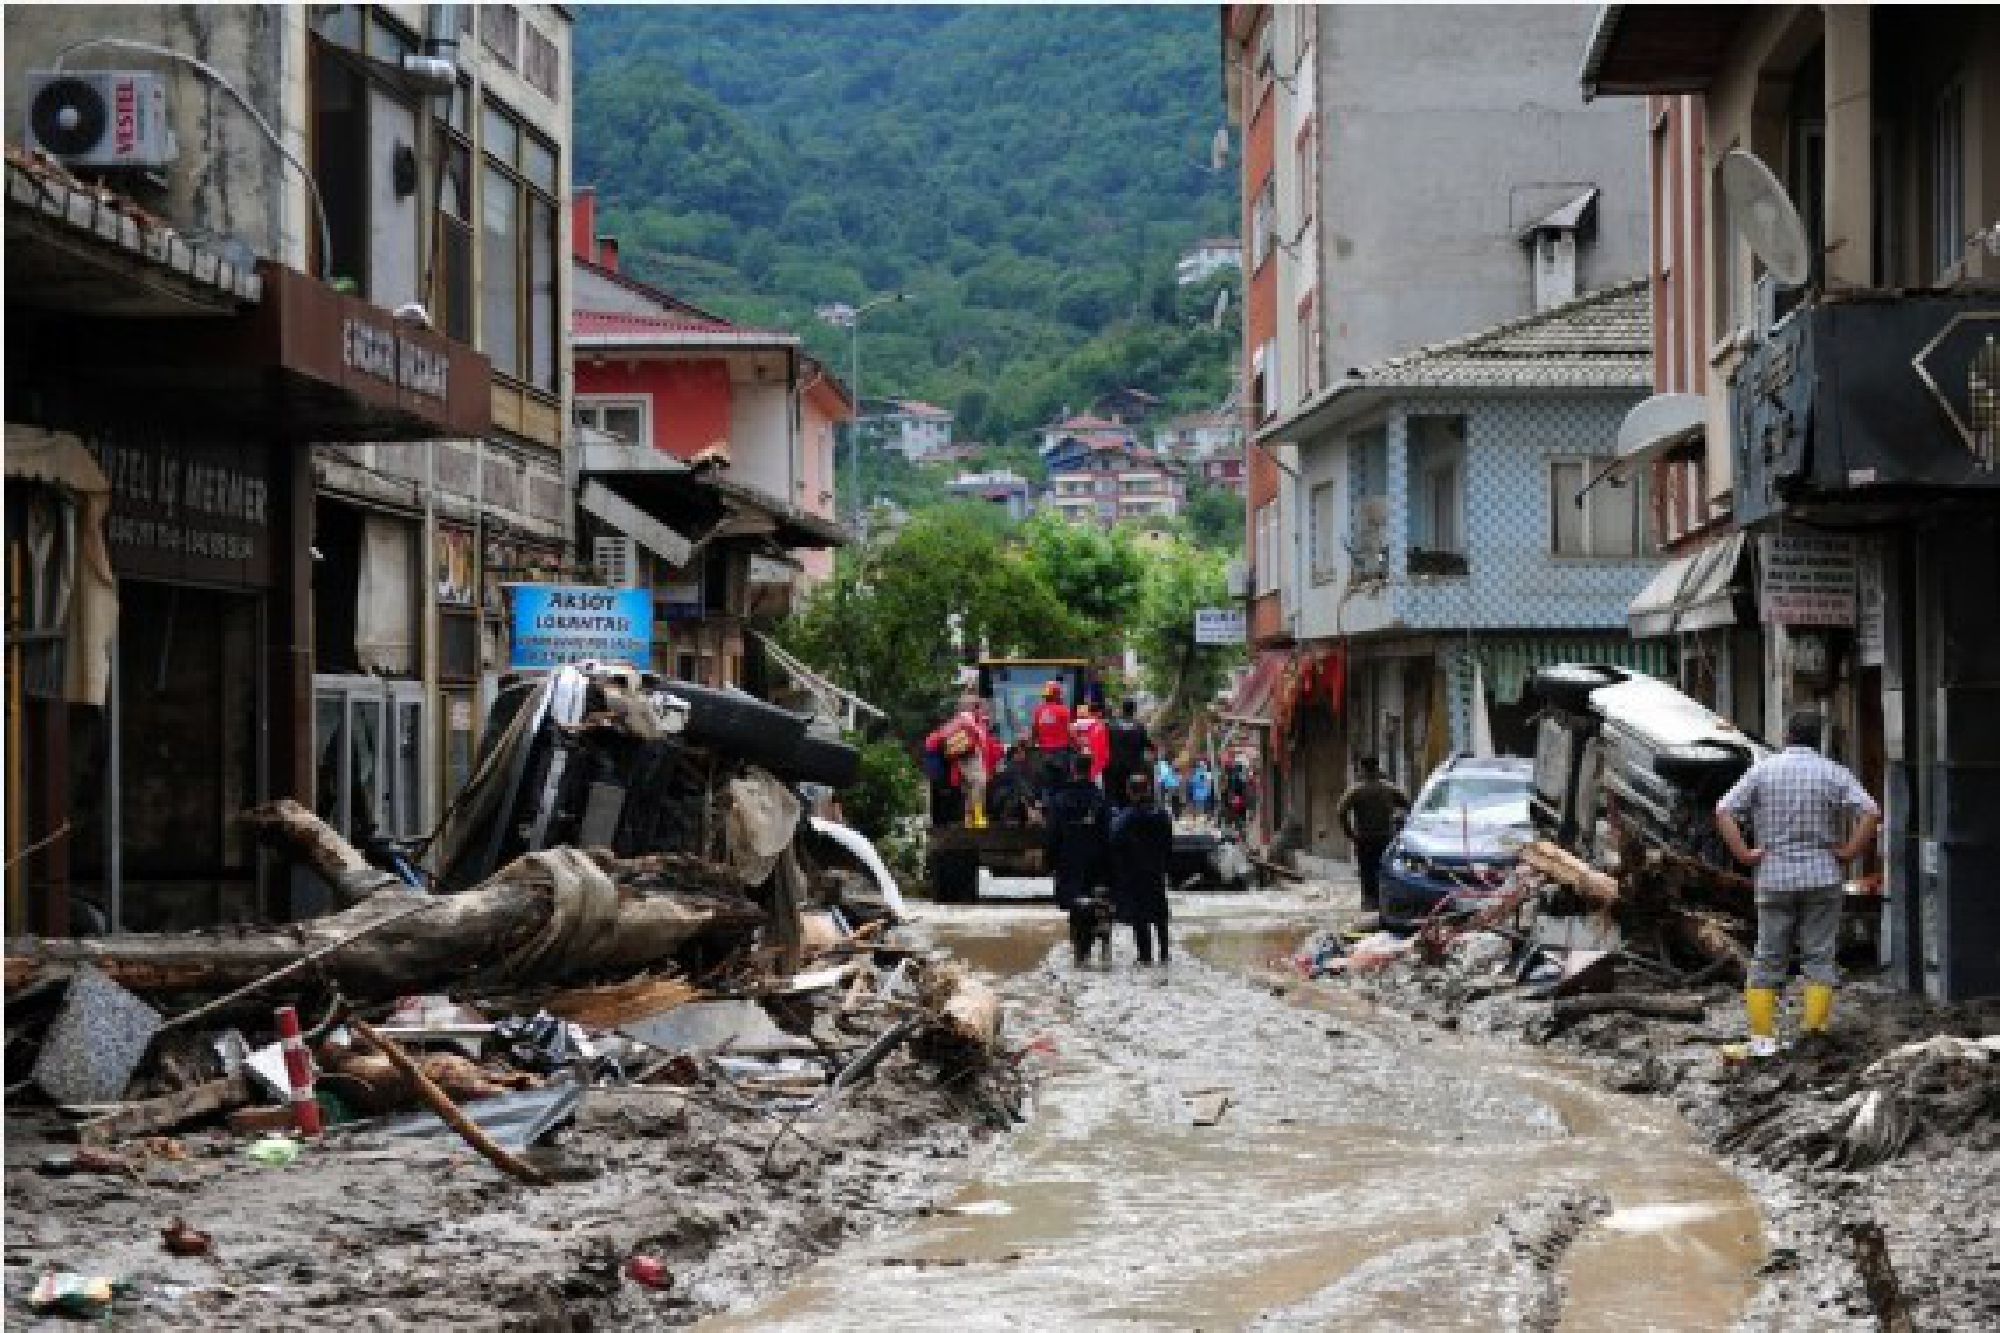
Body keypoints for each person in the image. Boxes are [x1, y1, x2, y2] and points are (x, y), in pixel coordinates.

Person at [1716, 709, 1881, 1058]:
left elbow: (1723, 811)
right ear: (1817, 738)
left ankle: (1762, 1042)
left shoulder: (1763, 770)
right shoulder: (1833, 772)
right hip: (1823, 876)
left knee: (1768, 958)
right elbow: (1871, 812)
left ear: (1787, 735)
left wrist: (1744, 855)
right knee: (1819, 956)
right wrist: (1850, 852)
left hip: (1774, 877)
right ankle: (1813, 1034)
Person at [1044, 751, 1112, 966]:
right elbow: (1107, 832)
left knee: (1075, 905)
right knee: (1093, 903)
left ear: (1073, 770)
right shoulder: (1100, 798)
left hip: (1069, 860)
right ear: (1090, 770)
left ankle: (1079, 952)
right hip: (1096, 861)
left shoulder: (1060, 799)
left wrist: (1050, 859)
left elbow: (1053, 832)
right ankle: (1090, 944)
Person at [1111, 772, 1175, 964]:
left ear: (1130, 792)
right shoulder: (1162, 815)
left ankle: (1145, 956)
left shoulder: (1126, 818)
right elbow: (1168, 843)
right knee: (1159, 912)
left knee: (1140, 916)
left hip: (1136, 873)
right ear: (1148, 790)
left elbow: (1114, 840)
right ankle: (1164, 954)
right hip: (1156, 871)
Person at [1336, 757, 1409, 911]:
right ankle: (1385, 902)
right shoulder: (1390, 789)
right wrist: (1400, 828)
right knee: (1385, 870)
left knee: (1366, 871)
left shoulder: (1355, 790)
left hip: (1364, 838)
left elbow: (1341, 812)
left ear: (1363, 769)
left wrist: (1350, 834)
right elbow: (1408, 805)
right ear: (1377, 768)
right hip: (1385, 838)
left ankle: (1369, 903)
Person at [1030, 680, 1075, 799]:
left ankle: (1047, 809)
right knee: (1063, 784)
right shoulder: (1064, 710)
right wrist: (1077, 746)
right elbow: (1070, 733)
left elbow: (1034, 733)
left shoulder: (1038, 711)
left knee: (1046, 785)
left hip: (1044, 754)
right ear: (1057, 695)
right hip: (1061, 754)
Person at [1104, 699, 1152, 808]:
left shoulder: (1111, 726)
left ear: (1122, 710)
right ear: (1134, 710)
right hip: (1134, 769)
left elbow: (1106, 744)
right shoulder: (1139, 727)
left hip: (1116, 769)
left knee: (1117, 797)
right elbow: (1147, 745)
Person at [987, 740, 1035, 826]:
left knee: (1020, 792)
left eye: (1024, 752)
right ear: (1014, 755)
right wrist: (1033, 802)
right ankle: (1009, 817)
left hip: (998, 800)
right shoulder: (1013, 767)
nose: (1023, 755)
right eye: (1021, 752)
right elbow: (1021, 785)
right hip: (1001, 800)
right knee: (1018, 792)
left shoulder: (1010, 765)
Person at [1072, 701, 1111, 786]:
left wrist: (1079, 741)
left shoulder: (1082, 722)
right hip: (1096, 762)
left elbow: (1071, 728)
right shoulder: (1100, 723)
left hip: (1084, 761)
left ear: (1088, 712)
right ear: (1099, 713)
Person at [1187, 759, 1215, 824]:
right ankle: (1205, 818)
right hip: (1204, 794)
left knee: (1197, 806)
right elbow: (1209, 783)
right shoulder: (1207, 774)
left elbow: (1191, 783)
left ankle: (1195, 818)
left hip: (1198, 794)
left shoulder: (1196, 773)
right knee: (1205, 807)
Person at [1156, 755, 1183, 820]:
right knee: (1173, 801)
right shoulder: (1168, 768)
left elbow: (1162, 776)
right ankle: (1176, 814)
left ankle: (1175, 814)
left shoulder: (1166, 767)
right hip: (1172, 786)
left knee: (1172, 801)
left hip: (1170, 786)